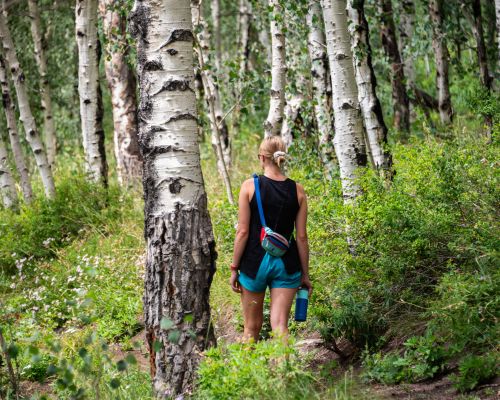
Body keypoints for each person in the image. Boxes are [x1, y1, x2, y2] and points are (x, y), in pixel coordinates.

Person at [229, 136, 312, 342]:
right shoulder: (298, 190)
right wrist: (305, 275)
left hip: (254, 264)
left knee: (250, 328)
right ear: (281, 158)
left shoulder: (249, 186)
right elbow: (301, 237)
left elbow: (243, 232)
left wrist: (234, 268)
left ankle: (247, 374)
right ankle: (285, 373)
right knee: (280, 326)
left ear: (261, 157)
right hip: (287, 264)